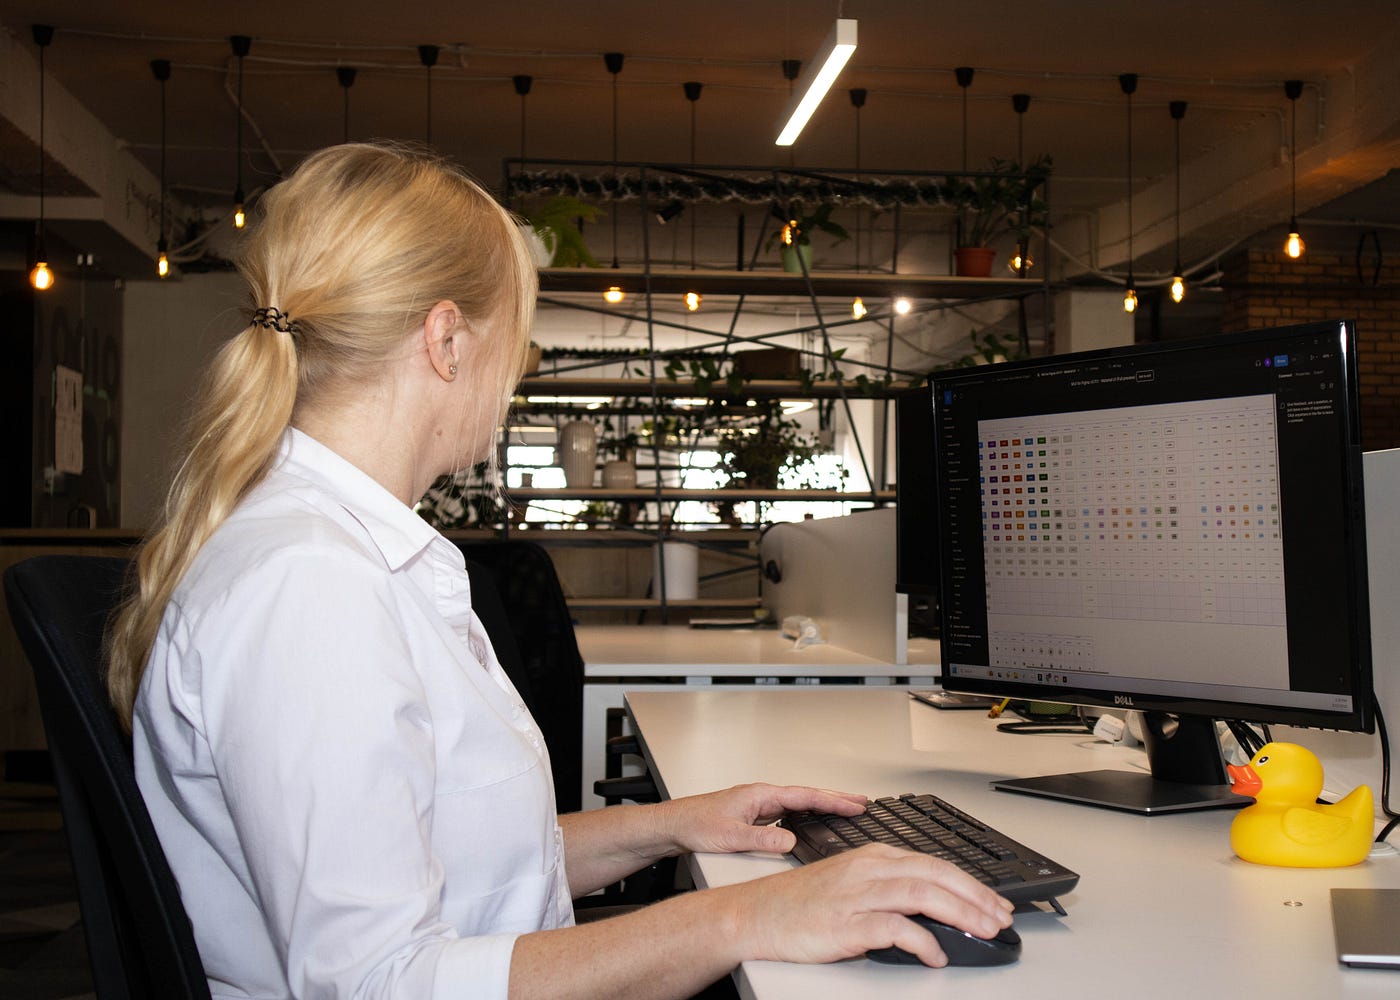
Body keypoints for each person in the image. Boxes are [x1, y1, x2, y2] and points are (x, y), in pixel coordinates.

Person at [106, 143, 1013, 1000]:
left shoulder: (349, 556)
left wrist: (675, 824)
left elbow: (459, 861)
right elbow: (378, 982)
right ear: (447, 342)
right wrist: (744, 914)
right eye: (521, 341)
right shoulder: (308, 588)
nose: (520, 375)